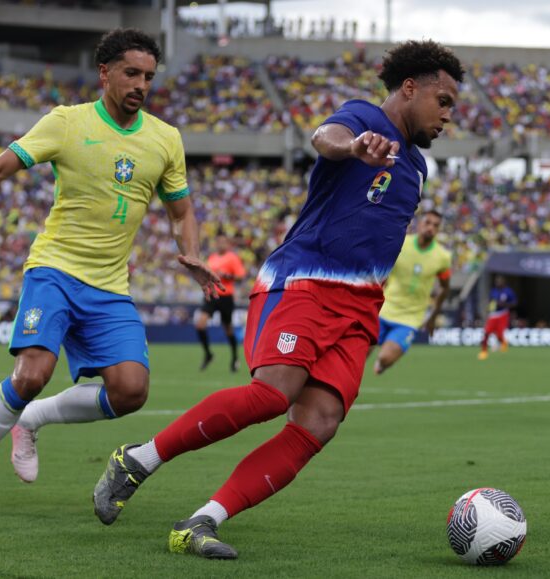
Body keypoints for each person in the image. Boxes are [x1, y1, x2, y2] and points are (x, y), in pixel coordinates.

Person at [92, 40, 463, 559]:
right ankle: (139, 459)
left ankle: (203, 520)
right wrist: (354, 146)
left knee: (320, 422)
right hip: (304, 283)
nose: (448, 115)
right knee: (272, 394)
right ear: (410, 88)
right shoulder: (361, 119)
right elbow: (325, 137)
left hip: (360, 310)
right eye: (443, 100)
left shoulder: (418, 168)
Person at [0, 28, 221, 517]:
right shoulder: (67, 123)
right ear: (105, 73)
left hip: (110, 285)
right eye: (131, 73)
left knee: (131, 390)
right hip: (54, 269)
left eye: (149, 77)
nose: (140, 84)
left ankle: (30, 422)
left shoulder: (165, 139)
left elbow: (180, 211)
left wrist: (193, 254)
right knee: (32, 373)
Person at [373, 210, 451, 374]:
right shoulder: (401, 243)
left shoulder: (442, 257)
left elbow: (445, 286)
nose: (430, 228)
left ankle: (382, 363)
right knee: (358, 354)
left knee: (386, 358)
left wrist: (433, 316)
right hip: (383, 310)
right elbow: (380, 270)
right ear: (419, 223)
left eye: (435, 225)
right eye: (427, 222)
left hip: (410, 318)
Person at [195, 234, 247, 372]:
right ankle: (208, 354)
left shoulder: (232, 258)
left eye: (224, 242)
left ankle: (235, 358)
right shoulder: (212, 258)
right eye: (219, 242)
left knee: (228, 329)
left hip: (226, 296)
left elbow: (241, 275)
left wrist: (227, 276)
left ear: (228, 244)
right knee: (200, 325)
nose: (221, 244)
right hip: (212, 295)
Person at [478, 275, 517, 360]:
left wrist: (505, 304)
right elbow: (491, 302)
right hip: (493, 315)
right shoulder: (493, 291)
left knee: (499, 333)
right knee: (487, 332)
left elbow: (514, 303)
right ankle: (483, 351)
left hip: (503, 313)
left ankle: (503, 342)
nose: (498, 283)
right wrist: (488, 308)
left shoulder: (508, 291)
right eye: (497, 281)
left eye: (499, 281)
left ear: (503, 282)